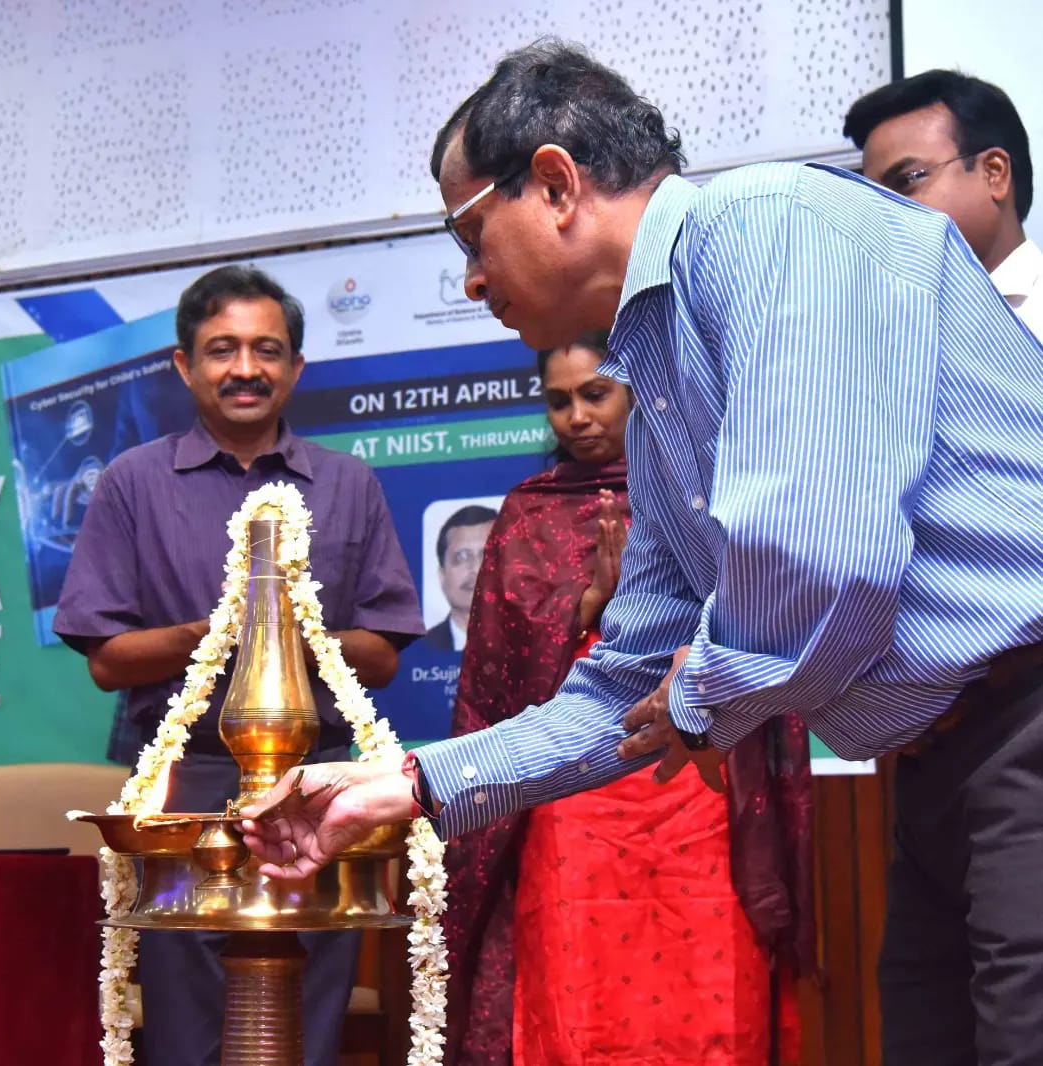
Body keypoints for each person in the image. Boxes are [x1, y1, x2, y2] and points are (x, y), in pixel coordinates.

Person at [242, 43, 1043, 1066]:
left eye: (470, 231)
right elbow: (619, 685)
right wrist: (404, 784)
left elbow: (817, 556)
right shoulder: (658, 372)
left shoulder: (775, 231)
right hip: (930, 764)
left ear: (556, 182)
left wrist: (697, 694)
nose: (474, 276)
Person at [54, 265, 425, 1066]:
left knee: (308, 1019)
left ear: (296, 367)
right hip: (183, 789)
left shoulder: (348, 484)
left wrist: (291, 631)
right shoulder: (132, 484)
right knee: (187, 1029)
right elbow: (108, 661)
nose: (246, 368)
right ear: (185, 365)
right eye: (222, 349)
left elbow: (384, 655)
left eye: (268, 349)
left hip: (318, 785)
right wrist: (229, 628)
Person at [442, 332, 811, 1065]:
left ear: (638, 391)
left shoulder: (702, 490)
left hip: (694, 776)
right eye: (558, 401)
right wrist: (586, 608)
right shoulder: (529, 512)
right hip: (574, 782)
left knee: (704, 963)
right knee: (580, 969)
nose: (576, 416)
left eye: (595, 394)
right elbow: (497, 672)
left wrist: (649, 600)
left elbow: (759, 613)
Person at [844, 69, 1042, 337]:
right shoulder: (888, 333)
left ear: (994, 174)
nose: (881, 209)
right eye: (870, 193)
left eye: (906, 181)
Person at [423, 504, 497, 651]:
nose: (476, 569)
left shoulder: (536, 640)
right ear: (442, 576)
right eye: (462, 557)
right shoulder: (421, 648)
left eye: (487, 555)